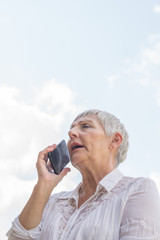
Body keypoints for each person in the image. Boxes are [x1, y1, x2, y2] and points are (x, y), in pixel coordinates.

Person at [7, 109, 160, 240]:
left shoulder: (138, 190)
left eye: (85, 126)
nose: (71, 133)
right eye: (71, 129)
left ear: (114, 140)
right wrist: (44, 184)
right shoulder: (53, 202)